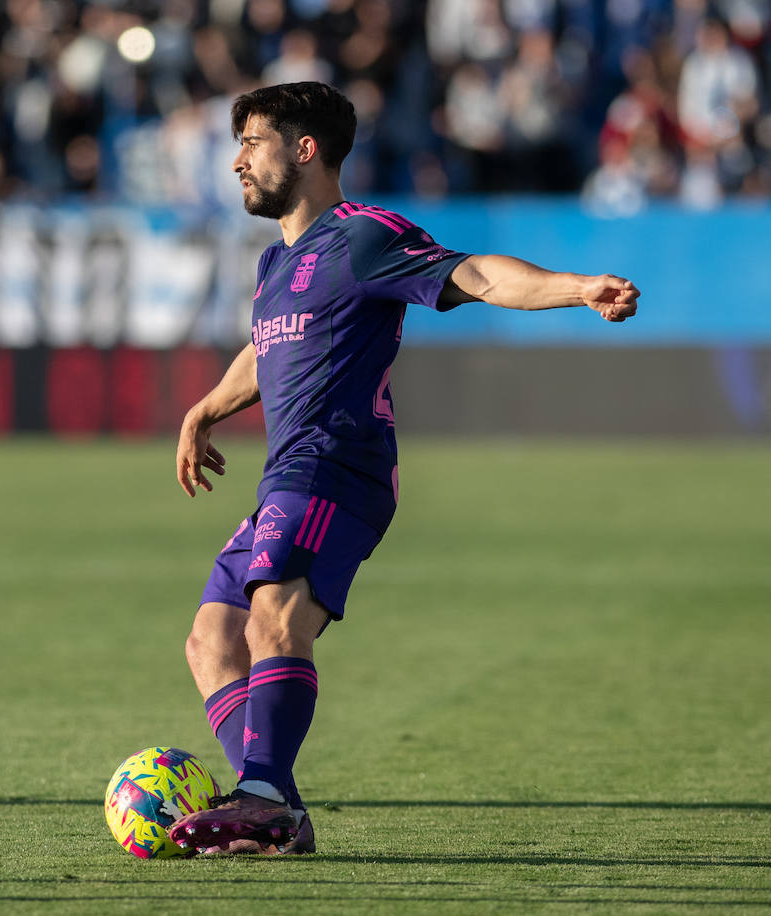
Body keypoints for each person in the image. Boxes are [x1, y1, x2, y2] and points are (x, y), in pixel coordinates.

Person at [168, 82, 638, 855]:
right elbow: (269, 348)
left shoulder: (363, 236)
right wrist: (205, 409)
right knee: (211, 640)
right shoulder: (276, 262)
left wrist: (577, 289)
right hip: (288, 474)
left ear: (305, 149)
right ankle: (272, 800)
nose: (236, 162)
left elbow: (474, 274)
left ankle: (260, 797)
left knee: (274, 616)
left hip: (336, 468)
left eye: (252, 142)